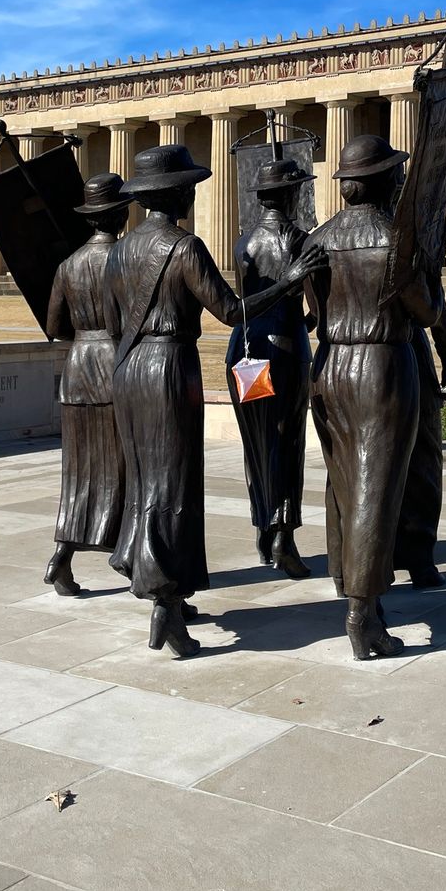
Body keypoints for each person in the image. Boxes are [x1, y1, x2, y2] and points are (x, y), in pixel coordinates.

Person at [105, 144, 319, 658]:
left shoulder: (120, 251)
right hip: (167, 367)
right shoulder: (184, 247)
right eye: (190, 188)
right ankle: (165, 604)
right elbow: (229, 310)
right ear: (176, 193)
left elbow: (115, 326)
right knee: (173, 482)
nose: (195, 196)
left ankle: (163, 588)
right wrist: (288, 282)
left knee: (145, 478)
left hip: (129, 369)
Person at [304, 133, 442, 661]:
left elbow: (315, 311)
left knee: (344, 484)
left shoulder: (317, 241)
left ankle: (353, 587)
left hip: (331, 364)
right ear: (386, 182)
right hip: (382, 365)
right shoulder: (395, 241)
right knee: (377, 489)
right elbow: (425, 313)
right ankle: (362, 614)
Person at [225, 157, 316, 580]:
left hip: (245, 355)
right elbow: (314, 309)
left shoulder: (242, 243)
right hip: (285, 351)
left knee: (256, 444)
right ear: (289, 194)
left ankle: (263, 530)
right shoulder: (301, 241)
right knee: (287, 442)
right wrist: (309, 321)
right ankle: (284, 538)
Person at [43, 173, 130, 596]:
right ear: (122, 214)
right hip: (117, 368)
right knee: (126, 470)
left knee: (78, 474)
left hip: (78, 371)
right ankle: (129, 557)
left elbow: (54, 327)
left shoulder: (68, 265)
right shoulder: (128, 260)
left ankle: (62, 556)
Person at [394, 225, 446, 589]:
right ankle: (419, 560)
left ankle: (359, 567)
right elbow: (434, 308)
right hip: (406, 349)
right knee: (422, 459)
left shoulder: (326, 238)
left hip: (343, 356)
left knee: (357, 470)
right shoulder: (406, 241)